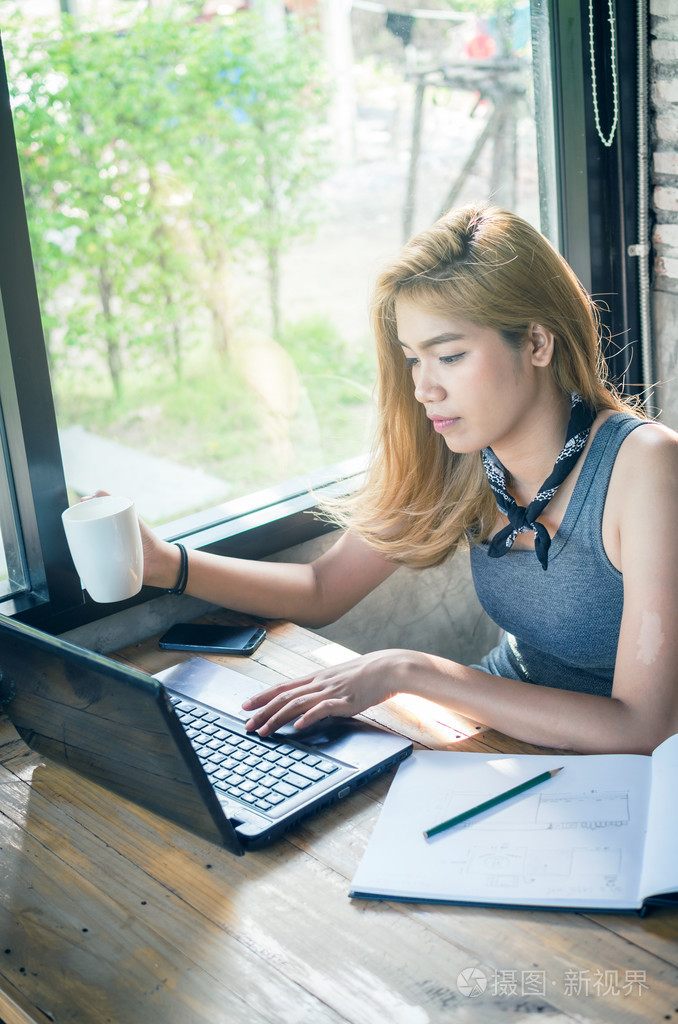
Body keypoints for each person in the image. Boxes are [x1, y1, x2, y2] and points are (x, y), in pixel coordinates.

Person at [140, 203, 678, 755]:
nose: (424, 389)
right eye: (412, 361)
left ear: (538, 343)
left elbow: (642, 728)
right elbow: (323, 589)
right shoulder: (460, 454)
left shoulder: (645, 467)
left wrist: (410, 670)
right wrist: (164, 565)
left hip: (624, 765)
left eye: (449, 356)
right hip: (494, 730)